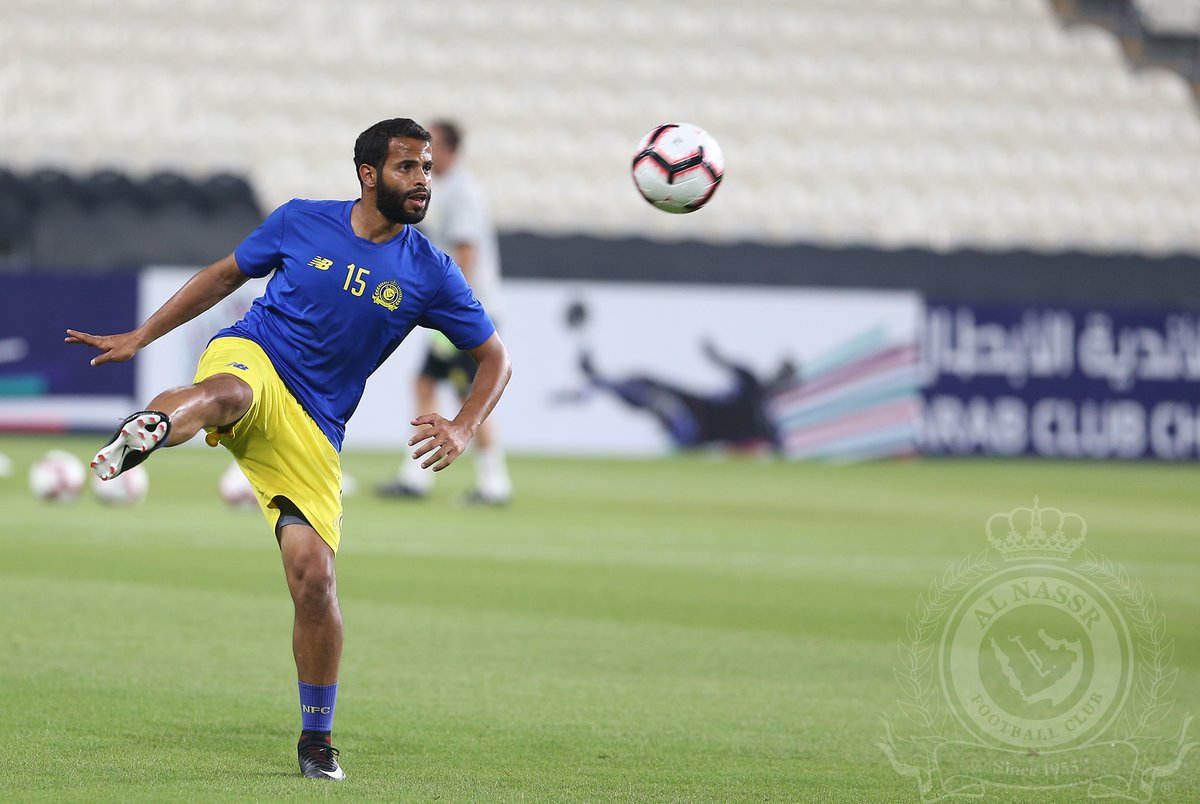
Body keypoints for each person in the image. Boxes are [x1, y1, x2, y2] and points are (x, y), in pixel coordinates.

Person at [64, 118, 511, 781]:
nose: (422, 181)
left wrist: (465, 426)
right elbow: (221, 277)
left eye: (426, 169)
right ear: (369, 175)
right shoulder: (302, 221)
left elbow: (494, 357)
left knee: (314, 579)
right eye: (407, 168)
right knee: (227, 394)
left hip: (315, 423)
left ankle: (315, 741)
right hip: (255, 355)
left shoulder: (432, 272)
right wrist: (142, 334)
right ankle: (154, 426)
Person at [376, 120, 512, 505]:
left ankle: (494, 482)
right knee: (426, 384)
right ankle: (417, 475)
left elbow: (467, 250)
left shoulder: (461, 192)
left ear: (449, 149)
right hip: (453, 309)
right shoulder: (445, 187)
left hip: (467, 309)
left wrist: (450, 308)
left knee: (468, 391)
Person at [573, 340, 795, 453]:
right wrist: (713, 353)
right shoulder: (751, 382)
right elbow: (721, 360)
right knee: (646, 387)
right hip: (698, 410)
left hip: (698, 429)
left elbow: (779, 447)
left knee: (654, 395)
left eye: (782, 377)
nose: (776, 378)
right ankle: (601, 380)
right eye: (779, 373)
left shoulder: (764, 416)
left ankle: (600, 380)